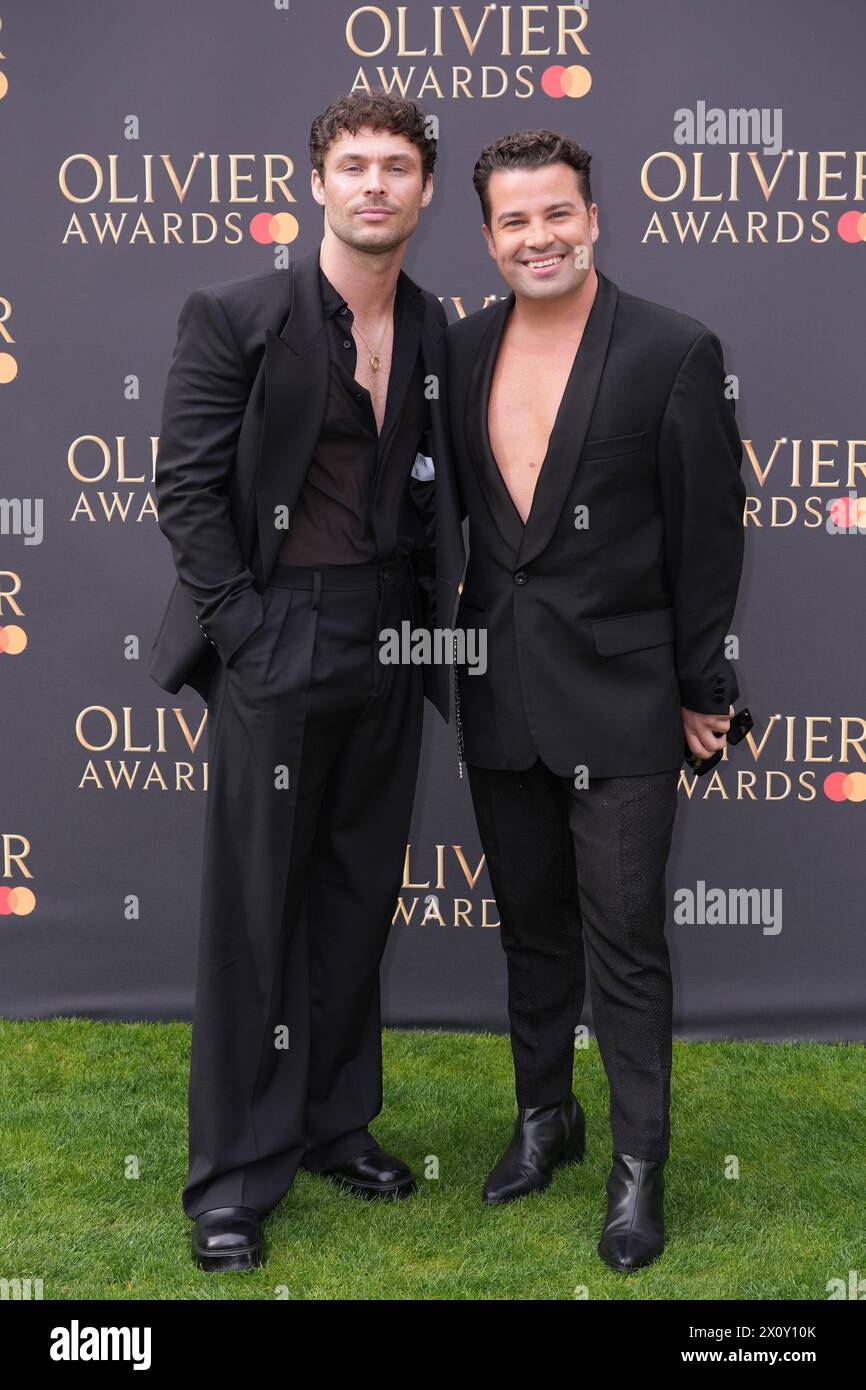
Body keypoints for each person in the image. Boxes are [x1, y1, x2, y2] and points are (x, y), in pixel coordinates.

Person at [149, 90, 464, 1271]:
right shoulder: (235, 314)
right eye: (353, 164)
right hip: (278, 638)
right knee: (253, 913)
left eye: (396, 166)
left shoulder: (435, 324)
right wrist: (246, 631)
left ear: (424, 191)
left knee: (352, 896)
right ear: (317, 183)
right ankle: (231, 1179)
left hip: (391, 643)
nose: (374, 183)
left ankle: (334, 1121)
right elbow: (185, 489)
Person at [445, 129, 746, 1270]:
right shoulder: (461, 350)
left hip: (621, 700)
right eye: (515, 221)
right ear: (486, 237)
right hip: (496, 693)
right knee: (530, 932)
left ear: (593, 217)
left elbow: (707, 542)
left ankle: (636, 1168)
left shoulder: (670, 349)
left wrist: (699, 687)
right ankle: (543, 1121)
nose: (539, 236)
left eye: (557, 213)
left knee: (622, 938)